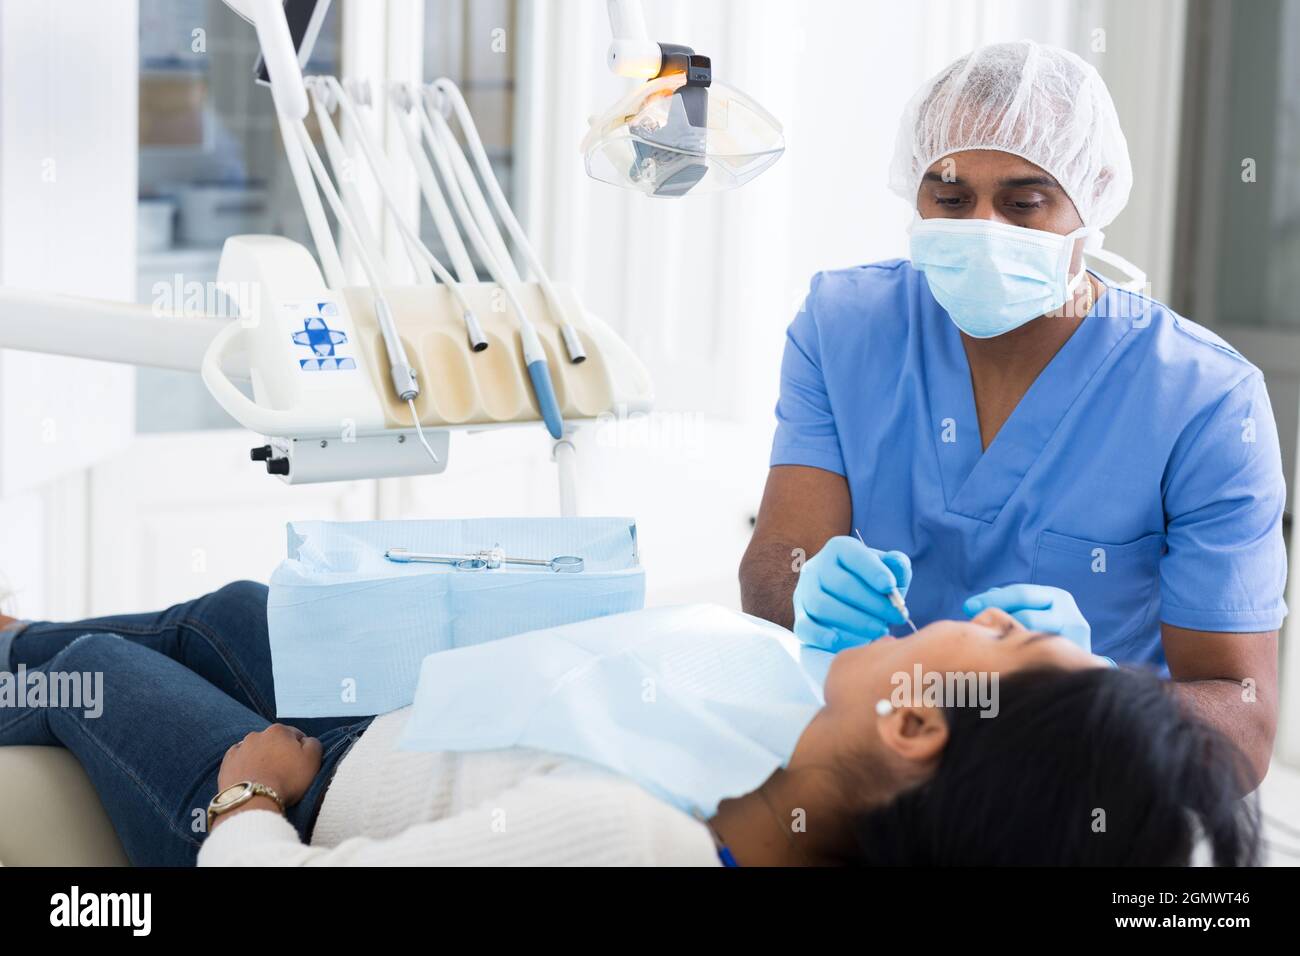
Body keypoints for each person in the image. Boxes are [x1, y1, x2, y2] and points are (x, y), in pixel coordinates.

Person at [739, 40, 1285, 788]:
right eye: (951, 198)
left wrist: (1086, 690)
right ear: (915, 188)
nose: (983, 229)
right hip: (882, 758)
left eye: (1025, 203)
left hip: (1078, 786)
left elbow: (1243, 732)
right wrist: (804, 592)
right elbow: (775, 571)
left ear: (1091, 198)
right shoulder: (844, 326)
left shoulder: (1204, 400)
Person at [0, 583, 1259, 866]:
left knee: (100, 670)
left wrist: (249, 801)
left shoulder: (621, 841)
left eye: (1000, 636)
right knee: (229, 619)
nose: (981, 607)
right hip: (391, 716)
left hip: (309, 789)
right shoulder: (792, 785)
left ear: (921, 723)